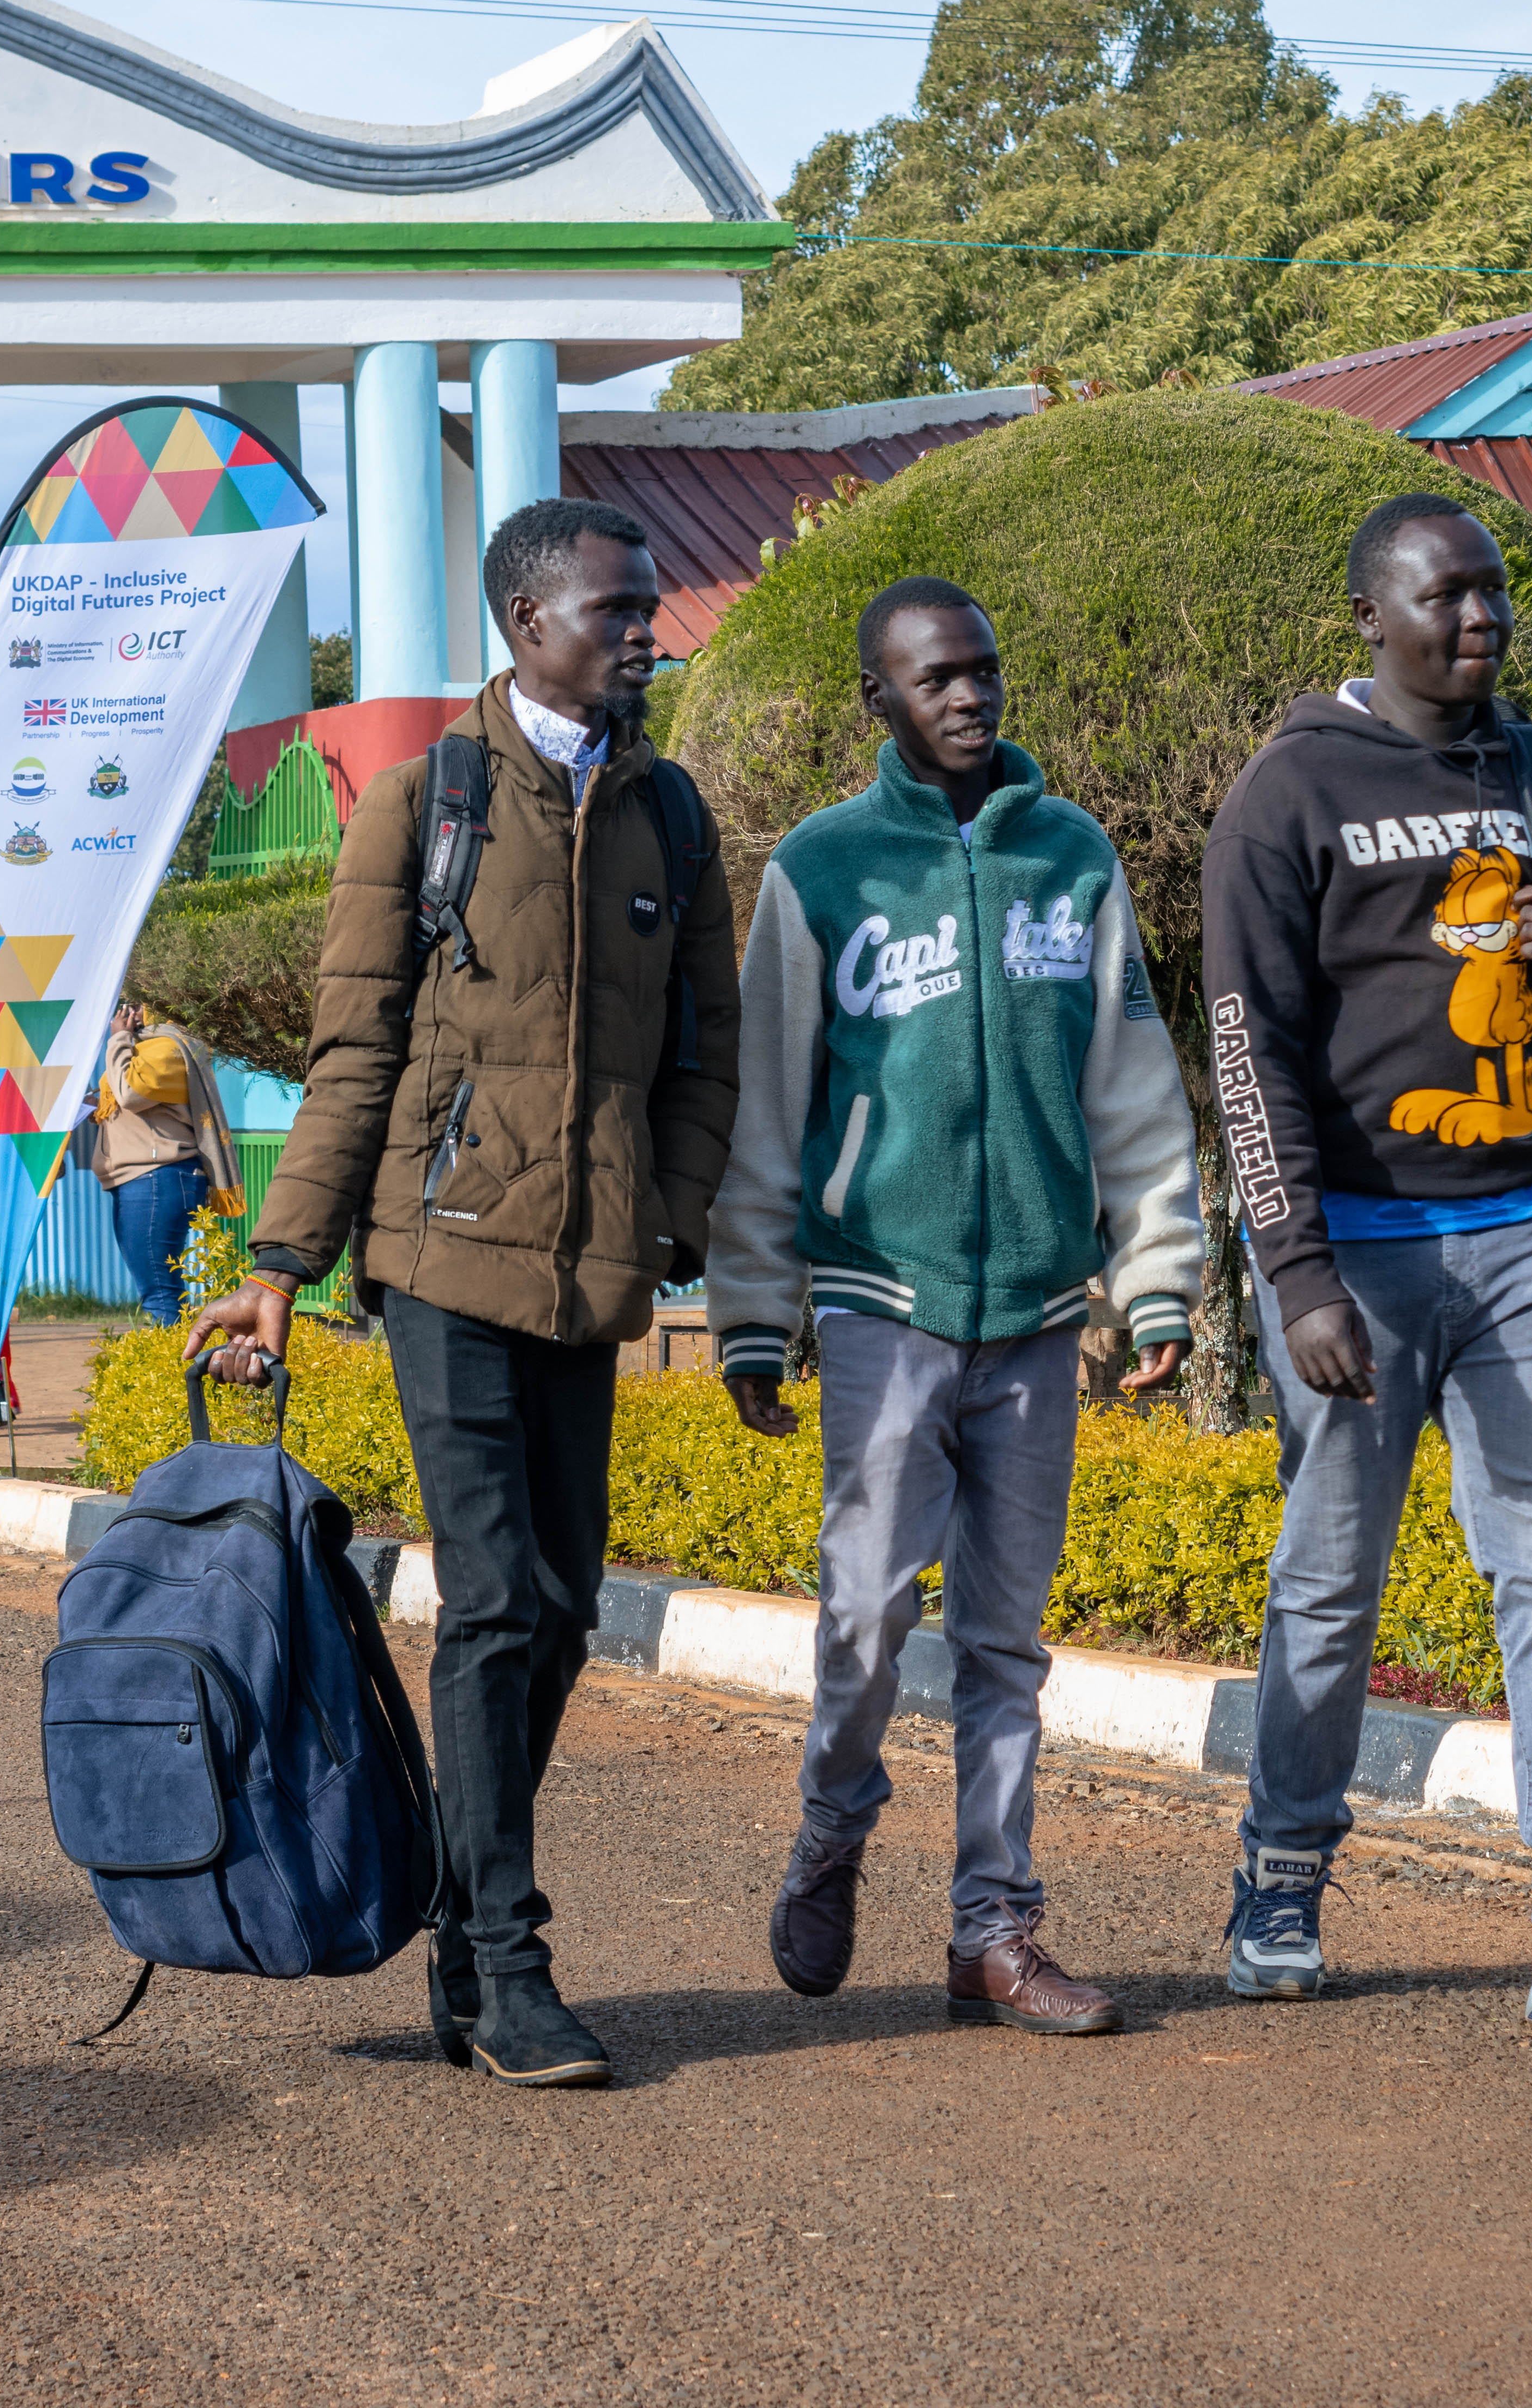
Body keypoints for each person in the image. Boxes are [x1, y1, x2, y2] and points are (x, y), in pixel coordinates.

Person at [183, 496, 740, 2092]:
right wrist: (280, 1262)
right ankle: (506, 1957)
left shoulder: (670, 815)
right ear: (526, 621)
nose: (645, 634)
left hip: (592, 1259)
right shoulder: (426, 803)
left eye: (649, 607)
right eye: (617, 609)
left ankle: (454, 1921)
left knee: (561, 1606)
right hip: (438, 1250)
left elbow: (708, 1048)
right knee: (496, 1598)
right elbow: (351, 1050)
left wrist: (673, 1213)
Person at [1199, 493, 1532, 2041]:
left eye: (1492, 593)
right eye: (1447, 596)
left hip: (1525, 1230)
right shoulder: (1289, 791)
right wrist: (1296, 1273)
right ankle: (1281, 1876)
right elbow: (1246, 1050)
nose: (1480, 618)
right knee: (1328, 1583)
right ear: (1372, 616)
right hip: (1354, 1253)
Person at [707, 575, 1204, 2038]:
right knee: (865, 1612)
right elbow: (766, 1106)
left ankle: (995, 1929)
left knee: (1003, 1641)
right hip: (883, 1297)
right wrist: (752, 1308)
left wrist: (1156, 1275)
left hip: (1038, 1308)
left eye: (983, 669)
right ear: (880, 699)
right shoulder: (823, 868)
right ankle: (833, 1823)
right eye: (936, 679)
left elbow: (1132, 1088)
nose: (970, 695)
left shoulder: (1074, 856)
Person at [91, 1000, 239, 1326]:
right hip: (146, 1180)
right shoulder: (149, 1048)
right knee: (158, 1288)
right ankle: (177, 1351)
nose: (126, 1013)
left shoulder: (168, 1047)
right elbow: (126, 1099)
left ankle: (176, 1355)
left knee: (160, 1292)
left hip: (156, 1179)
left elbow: (130, 1093)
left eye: (134, 1005)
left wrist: (118, 1039)